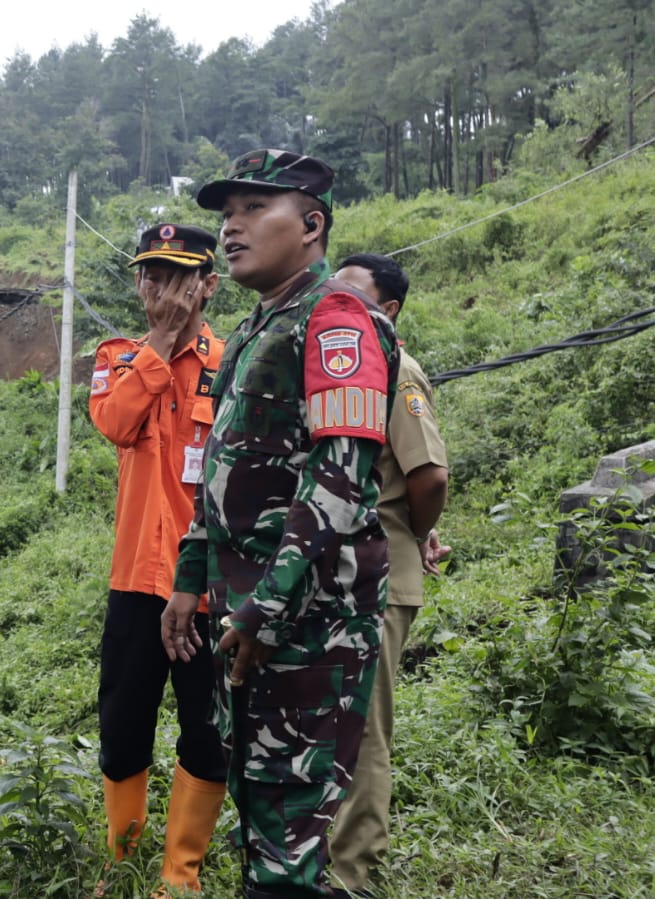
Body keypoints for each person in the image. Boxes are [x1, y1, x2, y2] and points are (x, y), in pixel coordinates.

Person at [160, 149, 399, 899]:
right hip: (250, 618)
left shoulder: (337, 322)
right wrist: (187, 580)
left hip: (309, 622)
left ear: (311, 223)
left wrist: (266, 606)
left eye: (252, 209)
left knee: (291, 827)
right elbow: (219, 471)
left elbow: (340, 477)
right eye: (224, 213)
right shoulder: (256, 328)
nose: (230, 227)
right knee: (260, 810)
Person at [88, 223, 228, 894]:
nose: (156, 287)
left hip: (206, 586)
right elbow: (114, 423)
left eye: (174, 276)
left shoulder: (233, 363)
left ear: (208, 284)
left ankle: (179, 874)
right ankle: (121, 861)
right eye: (148, 273)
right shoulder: (117, 356)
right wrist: (161, 344)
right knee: (121, 725)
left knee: (206, 731)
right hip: (135, 582)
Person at [328, 253, 450, 895]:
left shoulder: (397, 369)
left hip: (378, 574)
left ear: (389, 309)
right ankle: (323, 856)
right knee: (328, 720)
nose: (336, 302)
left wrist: (416, 533)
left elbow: (428, 475)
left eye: (352, 293)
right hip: (335, 576)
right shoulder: (337, 369)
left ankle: (350, 873)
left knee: (363, 728)